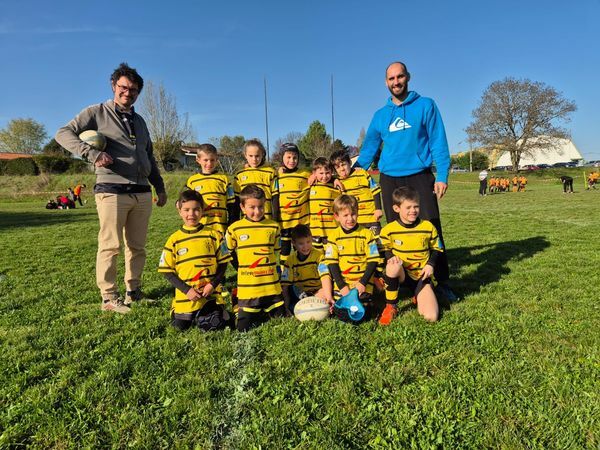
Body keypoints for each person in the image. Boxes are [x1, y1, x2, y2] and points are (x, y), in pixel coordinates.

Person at [55, 62, 167, 314]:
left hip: (141, 192)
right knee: (110, 245)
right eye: (124, 88)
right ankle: (109, 297)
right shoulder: (96, 112)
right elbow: (62, 134)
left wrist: (159, 187)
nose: (128, 93)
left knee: (137, 246)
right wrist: (91, 154)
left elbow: (149, 156)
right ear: (114, 86)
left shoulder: (140, 121)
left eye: (134, 90)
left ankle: (134, 292)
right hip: (112, 189)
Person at [355, 61, 456, 302]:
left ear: (408, 77)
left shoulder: (426, 105)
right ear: (385, 82)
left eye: (400, 77)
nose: (396, 82)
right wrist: (352, 173)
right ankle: (404, 281)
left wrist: (441, 175)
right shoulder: (380, 116)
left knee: (432, 227)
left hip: (420, 175)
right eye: (391, 78)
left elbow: (438, 142)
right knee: (395, 231)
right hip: (390, 178)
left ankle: (442, 282)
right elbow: (368, 149)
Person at [158, 190, 232, 331]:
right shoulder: (174, 240)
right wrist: (187, 290)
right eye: (186, 210)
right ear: (179, 211)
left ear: (202, 210)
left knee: (220, 324)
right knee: (180, 328)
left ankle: (218, 309)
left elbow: (223, 263)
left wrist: (212, 284)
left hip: (210, 293)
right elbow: (167, 272)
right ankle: (176, 309)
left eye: (196, 210)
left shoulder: (214, 235)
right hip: (187, 296)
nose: (191, 214)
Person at [379, 186, 442, 325]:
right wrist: (390, 257)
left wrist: (431, 265)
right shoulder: (389, 229)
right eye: (408, 207)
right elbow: (384, 248)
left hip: (422, 276)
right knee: (393, 266)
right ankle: (391, 306)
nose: (413, 211)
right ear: (396, 208)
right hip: (402, 273)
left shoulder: (428, 226)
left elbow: (438, 248)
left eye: (416, 206)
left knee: (431, 317)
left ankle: (418, 294)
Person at [225, 184, 285, 331]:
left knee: (282, 319)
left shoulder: (274, 227)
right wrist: (240, 266)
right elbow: (226, 251)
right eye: (252, 207)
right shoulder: (234, 229)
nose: (257, 211)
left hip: (271, 288)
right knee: (242, 327)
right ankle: (236, 298)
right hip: (248, 288)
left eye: (261, 207)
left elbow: (277, 250)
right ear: (242, 207)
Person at [323, 195, 380, 321]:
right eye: (345, 215)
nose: (350, 218)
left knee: (363, 313)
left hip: (362, 285)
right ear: (337, 217)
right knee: (341, 313)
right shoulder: (333, 236)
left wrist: (363, 283)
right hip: (343, 286)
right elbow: (332, 264)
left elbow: (373, 260)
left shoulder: (367, 234)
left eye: (353, 214)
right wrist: (342, 286)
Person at [281, 224, 334, 315]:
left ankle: (312, 302)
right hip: (299, 292)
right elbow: (285, 286)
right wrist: (286, 308)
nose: (306, 246)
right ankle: (303, 304)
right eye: (301, 243)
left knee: (325, 293)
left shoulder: (319, 256)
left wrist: (328, 296)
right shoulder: (290, 261)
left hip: (317, 290)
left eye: (308, 242)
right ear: (293, 243)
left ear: (312, 239)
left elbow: (325, 277)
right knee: (290, 289)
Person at [330, 149, 383, 236]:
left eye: (343, 165)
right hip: (352, 222)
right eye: (338, 167)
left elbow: (375, 190)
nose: (342, 169)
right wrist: (334, 179)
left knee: (376, 246)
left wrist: (378, 209)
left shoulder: (362, 173)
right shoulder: (338, 181)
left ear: (350, 163)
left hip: (371, 219)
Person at [185, 143, 234, 235]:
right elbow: (185, 201)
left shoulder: (224, 179)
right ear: (198, 160)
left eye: (212, 160)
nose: (209, 163)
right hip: (200, 228)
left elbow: (232, 203)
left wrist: (231, 222)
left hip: (220, 228)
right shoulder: (192, 181)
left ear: (217, 160)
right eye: (206, 160)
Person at [277, 143, 310, 262]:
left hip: (301, 221)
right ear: (282, 157)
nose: (292, 160)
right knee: (284, 250)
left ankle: (301, 274)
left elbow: (322, 175)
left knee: (301, 250)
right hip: (284, 222)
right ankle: (285, 275)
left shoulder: (305, 174)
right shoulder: (277, 175)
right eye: (288, 157)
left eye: (295, 157)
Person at [232, 139, 279, 221]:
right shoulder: (239, 175)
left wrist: (275, 219)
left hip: (267, 219)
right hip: (247, 220)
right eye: (250, 156)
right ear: (245, 155)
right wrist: (234, 221)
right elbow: (236, 201)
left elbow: (275, 198)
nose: (254, 159)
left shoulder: (271, 172)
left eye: (257, 156)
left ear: (262, 155)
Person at [308, 157, 341, 249]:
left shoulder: (336, 186)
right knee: (317, 258)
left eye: (327, 173)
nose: (324, 176)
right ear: (314, 173)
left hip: (331, 230)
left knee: (331, 258)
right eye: (321, 173)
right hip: (314, 230)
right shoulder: (311, 184)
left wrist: (335, 179)